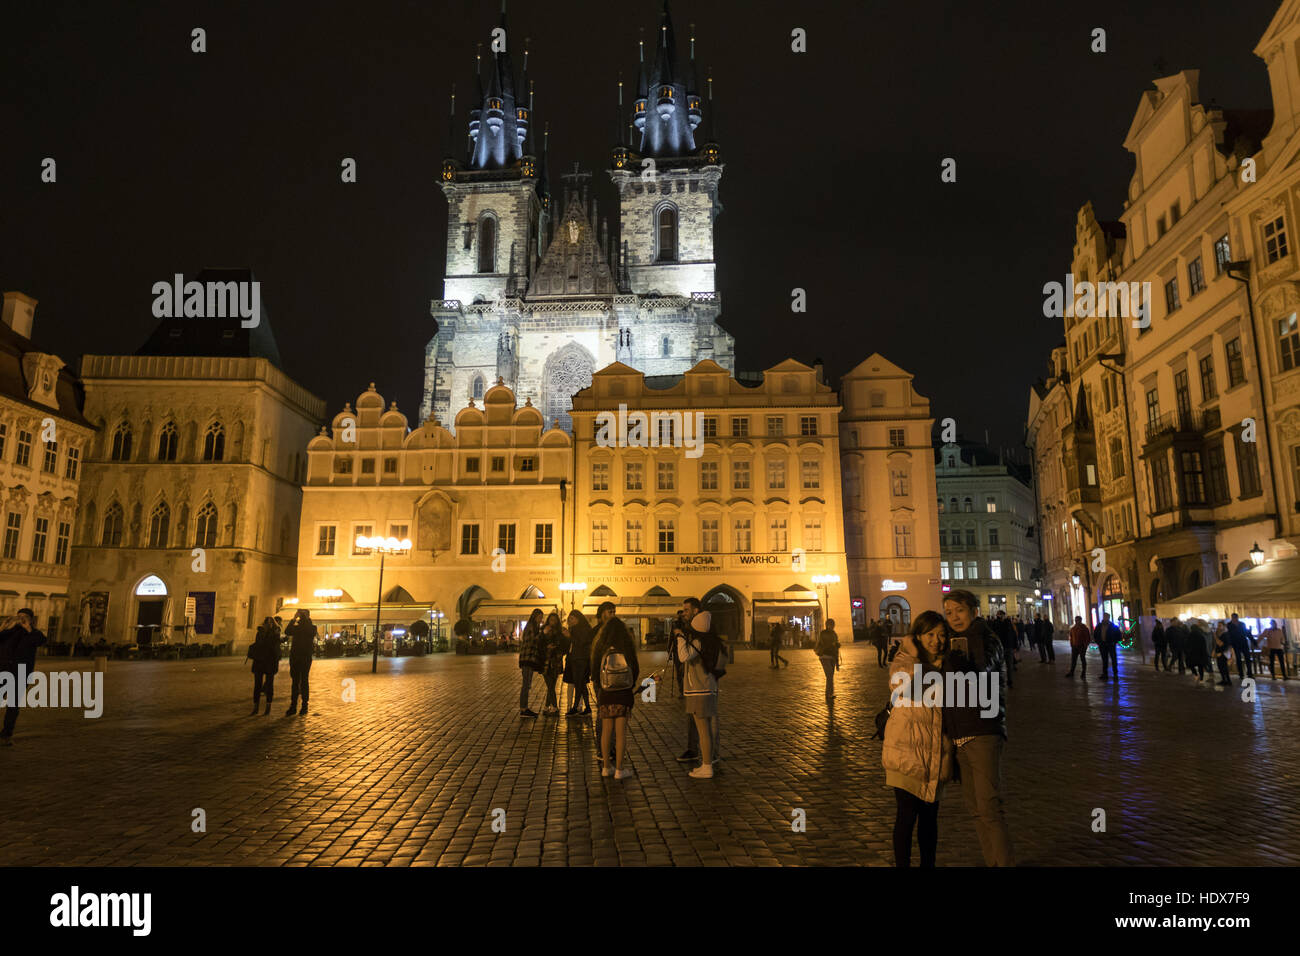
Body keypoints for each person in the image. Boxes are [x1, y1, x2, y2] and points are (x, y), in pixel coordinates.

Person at [941, 589, 1014, 866]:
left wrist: (964, 669)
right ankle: (992, 861)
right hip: (960, 734)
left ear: (973, 611)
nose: (954, 617)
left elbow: (985, 670)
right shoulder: (951, 641)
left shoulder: (985, 637)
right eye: (949, 613)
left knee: (989, 806)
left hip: (983, 730)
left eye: (959, 610)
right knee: (975, 808)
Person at [884, 611, 955, 867]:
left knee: (929, 819)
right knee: (906, 815)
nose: (937, 640)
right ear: (918, 636)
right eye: (930, 634)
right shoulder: (904, 660)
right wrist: (913, 653)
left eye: (942, 635)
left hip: (935, 752)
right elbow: (901, 686)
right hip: (906, 748)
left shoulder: (948, 663)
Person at [590, 601, 639, 780]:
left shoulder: (600, 646)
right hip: (623, 693)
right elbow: (635, 668)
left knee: (606, 731)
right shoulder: (626, 646)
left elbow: (594, 669)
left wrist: (600, 684)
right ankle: (619, 769)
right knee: (620, 733)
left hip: (606, 693)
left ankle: (606, 767)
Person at [678, 609, 721, 778]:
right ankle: (706, 763)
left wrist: (680, 637)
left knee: (703, 730)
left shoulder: (698, 641)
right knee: (706, 729)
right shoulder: (711, 641)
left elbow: (683, 656)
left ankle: (707, 766)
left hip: (699, 689)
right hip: (707, 687)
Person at [0, 609, 48, 745]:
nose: (21, 619)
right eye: (19, 616)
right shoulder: (9, 632)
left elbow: (42, 640)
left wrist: (27, 627)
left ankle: (6, 734)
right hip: (3, 671)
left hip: (20, 674)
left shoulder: (34, 633)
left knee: (13, 706)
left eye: (25, 617)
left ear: (31, 619)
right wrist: (3, 626)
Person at [672, 602, 701, 764]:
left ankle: (700, 753)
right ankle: (697, 750)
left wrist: (680, 636)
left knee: (701, 720)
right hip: (693, 682)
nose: (683, 613)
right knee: (696, 719)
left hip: (699, 684)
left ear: (696, 610)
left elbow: (685, 656)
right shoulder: (691, 628)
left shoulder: (699, 631)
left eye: (686, 610)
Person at [284, 609, 317, 715]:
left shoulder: (312, 627)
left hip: (305, 657)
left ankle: (304, 705)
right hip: (295, 657)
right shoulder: (296, 626)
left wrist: (304, 619)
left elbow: (309, 632)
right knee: (295, 682)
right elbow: (287, 631)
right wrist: (293, 619)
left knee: (304, 681)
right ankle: (293, 706)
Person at [563, 609, 594, 716]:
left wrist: (569, 637)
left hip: (581, 659)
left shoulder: (584, 629)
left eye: (571, 619)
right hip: (574, 659)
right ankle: (587, 708)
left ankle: (575, 707)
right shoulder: (573, 629)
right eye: (569, 619)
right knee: (581, 684)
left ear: (578, 619)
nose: (569, 621)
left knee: (579, 683)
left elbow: (581, 643)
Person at [248, 616, 281, 715]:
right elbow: (259, 644)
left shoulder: (275, 634)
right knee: (257, 685)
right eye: (267, 622)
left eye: (271, 623)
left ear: (273, 624)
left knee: (269, 685)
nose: (269, 624)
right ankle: (255, 707)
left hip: (270, 662)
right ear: (264, 623)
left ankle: (268, 707)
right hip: (259, 661)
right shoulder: (260, 633)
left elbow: (275, 647)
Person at [517, 608, 545, 718]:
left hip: (529, 659)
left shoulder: (534, 626)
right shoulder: (531, 627)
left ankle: (524, 708)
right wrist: (542, 634)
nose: (540, 619)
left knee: (527, 684)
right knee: (526, 685)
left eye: (541, 617)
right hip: (527, 659)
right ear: (534, 616)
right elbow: (532, 641)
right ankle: (523, 709)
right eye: (539, 617)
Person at [540, 611, 566, 716]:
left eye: (555, 620)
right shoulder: (543, 630)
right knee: (550, 685)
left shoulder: (560, 632)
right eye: (551, 620)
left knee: (551, 685)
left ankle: (546, 707)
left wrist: (558, 648)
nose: (553, 622)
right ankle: (554, 707)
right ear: (548, 620)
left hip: (556, 661)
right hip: (545, 661)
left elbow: (564, 646)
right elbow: (538, 644)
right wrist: (545, 642)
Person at [815, 619, 841, 705]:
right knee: (829, 675)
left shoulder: (834, 634)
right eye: (830, 624)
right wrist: (832, 644)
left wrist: (837, 662)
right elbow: (824, 644)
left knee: (830, 676)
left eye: (833, 624)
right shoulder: (824, 633)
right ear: (827, 625)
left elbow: (836, 647)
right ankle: (829, 694)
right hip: (824, 656)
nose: (832, 626)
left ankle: (828, 693)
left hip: (832, 657)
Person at [1226, 614, 1254, 680]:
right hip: (1236, 644)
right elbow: (1228, 635)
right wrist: (1230, 644)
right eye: (1233, 618)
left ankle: (1249, 673)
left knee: (1247, 659)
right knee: (1238, 659)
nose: (1235, 619)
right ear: (1232, 618)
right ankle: (1241, 674)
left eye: (1235, 618)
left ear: (1237, 618)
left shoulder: (1242, 624)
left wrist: (1253, 640)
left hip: (1244, 643)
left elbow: (1247, 633)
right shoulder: (1229, 625)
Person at [1094, 613, 1119, 682]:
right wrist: (1098, 642)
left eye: (1107, 617)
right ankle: (1105, 674)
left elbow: (1118, 635)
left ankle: (1115, 674)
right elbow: (1095, 634)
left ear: (1109, 618)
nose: (1106, 618)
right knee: (1104, 660)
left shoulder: (1112, 626)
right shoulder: (1099, 626)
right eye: (1105, 616)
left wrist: (1114, 642)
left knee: (1113, 659)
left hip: (1111, 645)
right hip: (1102, 645)